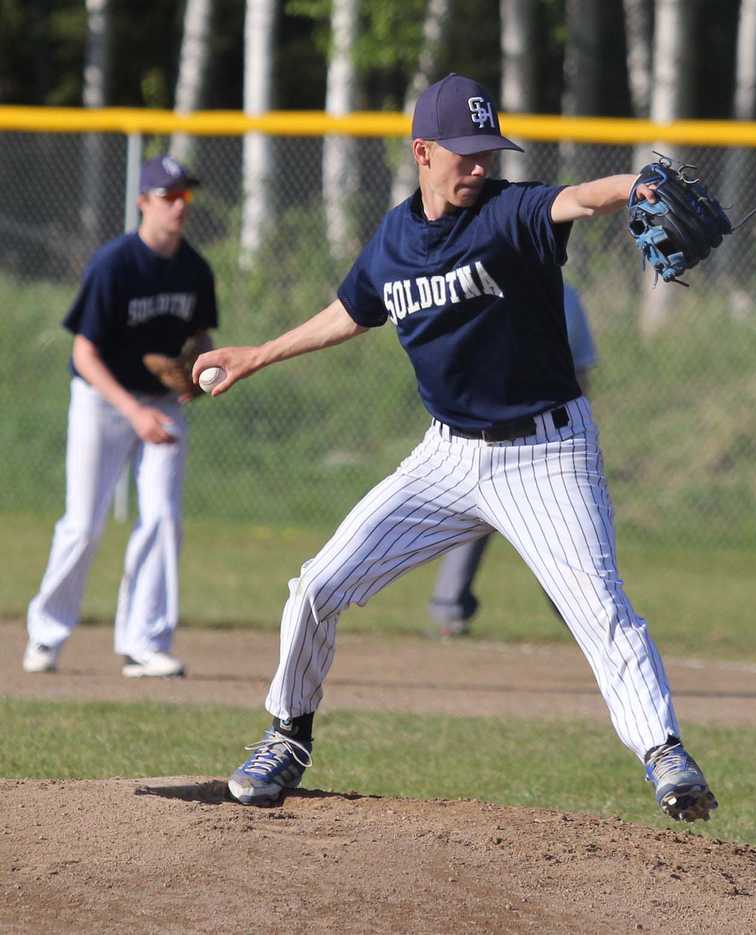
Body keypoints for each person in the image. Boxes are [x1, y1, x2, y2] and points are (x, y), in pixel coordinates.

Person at [196, 73, 716, 822]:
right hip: (445, 459)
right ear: (423, 152)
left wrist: (635, 182)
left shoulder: (511, 214)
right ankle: (287, 733)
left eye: (488, 152)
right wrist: (258, 354)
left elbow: (577, 197)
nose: (480, 165)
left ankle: (663, 750)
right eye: (465, 154)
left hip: (546, 454)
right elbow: (351, 310)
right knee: (316, 586)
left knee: (600, 609)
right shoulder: (395, 239)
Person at [23, 155, 217, 679]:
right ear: (143, 202)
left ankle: (145, 643)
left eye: (185, 197)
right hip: (103, 400)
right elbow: (85, 354)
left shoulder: (194, 268)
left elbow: (201, 337)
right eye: (168, 197)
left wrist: (199, 373)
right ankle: (46, 635)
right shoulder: (114, 264)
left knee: (161, 518)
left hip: (158, 404)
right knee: (83, 524)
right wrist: (133, 412)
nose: (179, 206)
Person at [427, 281, 598, 636]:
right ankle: (448, 606)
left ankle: (583, 614)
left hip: (548, 440)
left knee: (562, 534)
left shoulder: (564, 295)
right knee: (471, 510)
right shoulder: (482, 282)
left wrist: (576, 429)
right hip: (483, 432)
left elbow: (580, 371)